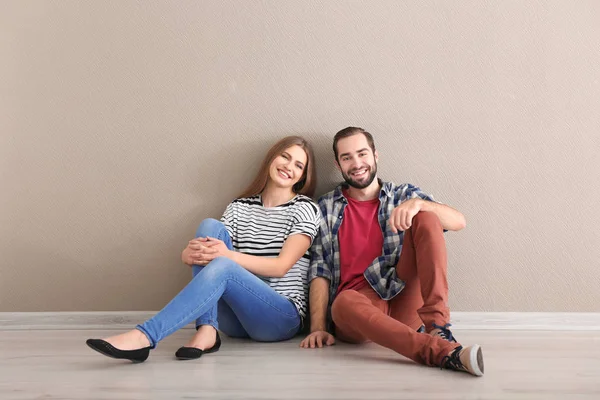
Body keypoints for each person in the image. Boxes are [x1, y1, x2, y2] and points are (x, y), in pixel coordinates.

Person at [86, 136, 321, 363]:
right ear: (272, 158)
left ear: (302, 176)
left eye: (298, 165)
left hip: (279, 317)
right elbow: (212, 251)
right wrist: (188, 255)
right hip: (236, 321)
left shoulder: (305, 208)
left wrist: (226, 256)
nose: (289, 166)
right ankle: (207, 329)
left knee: (224, 265)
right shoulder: (239, 207)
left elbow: (280, 267)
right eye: (285, 156)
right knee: (210, 226)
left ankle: (144, 336)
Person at [300, 127, 484, 377]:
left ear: (376, 155)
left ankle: (438, 326)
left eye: (362, 153)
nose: (356, 163)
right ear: (338, 164)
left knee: (428, 217)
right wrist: (318, 327)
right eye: (347, 158)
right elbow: (319, 269)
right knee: (344, 301)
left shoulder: (403, 195)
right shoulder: (325, 207)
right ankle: (441, 352)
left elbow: (459, 221)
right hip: (358, 309)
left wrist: (419, 204)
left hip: (402, 294)